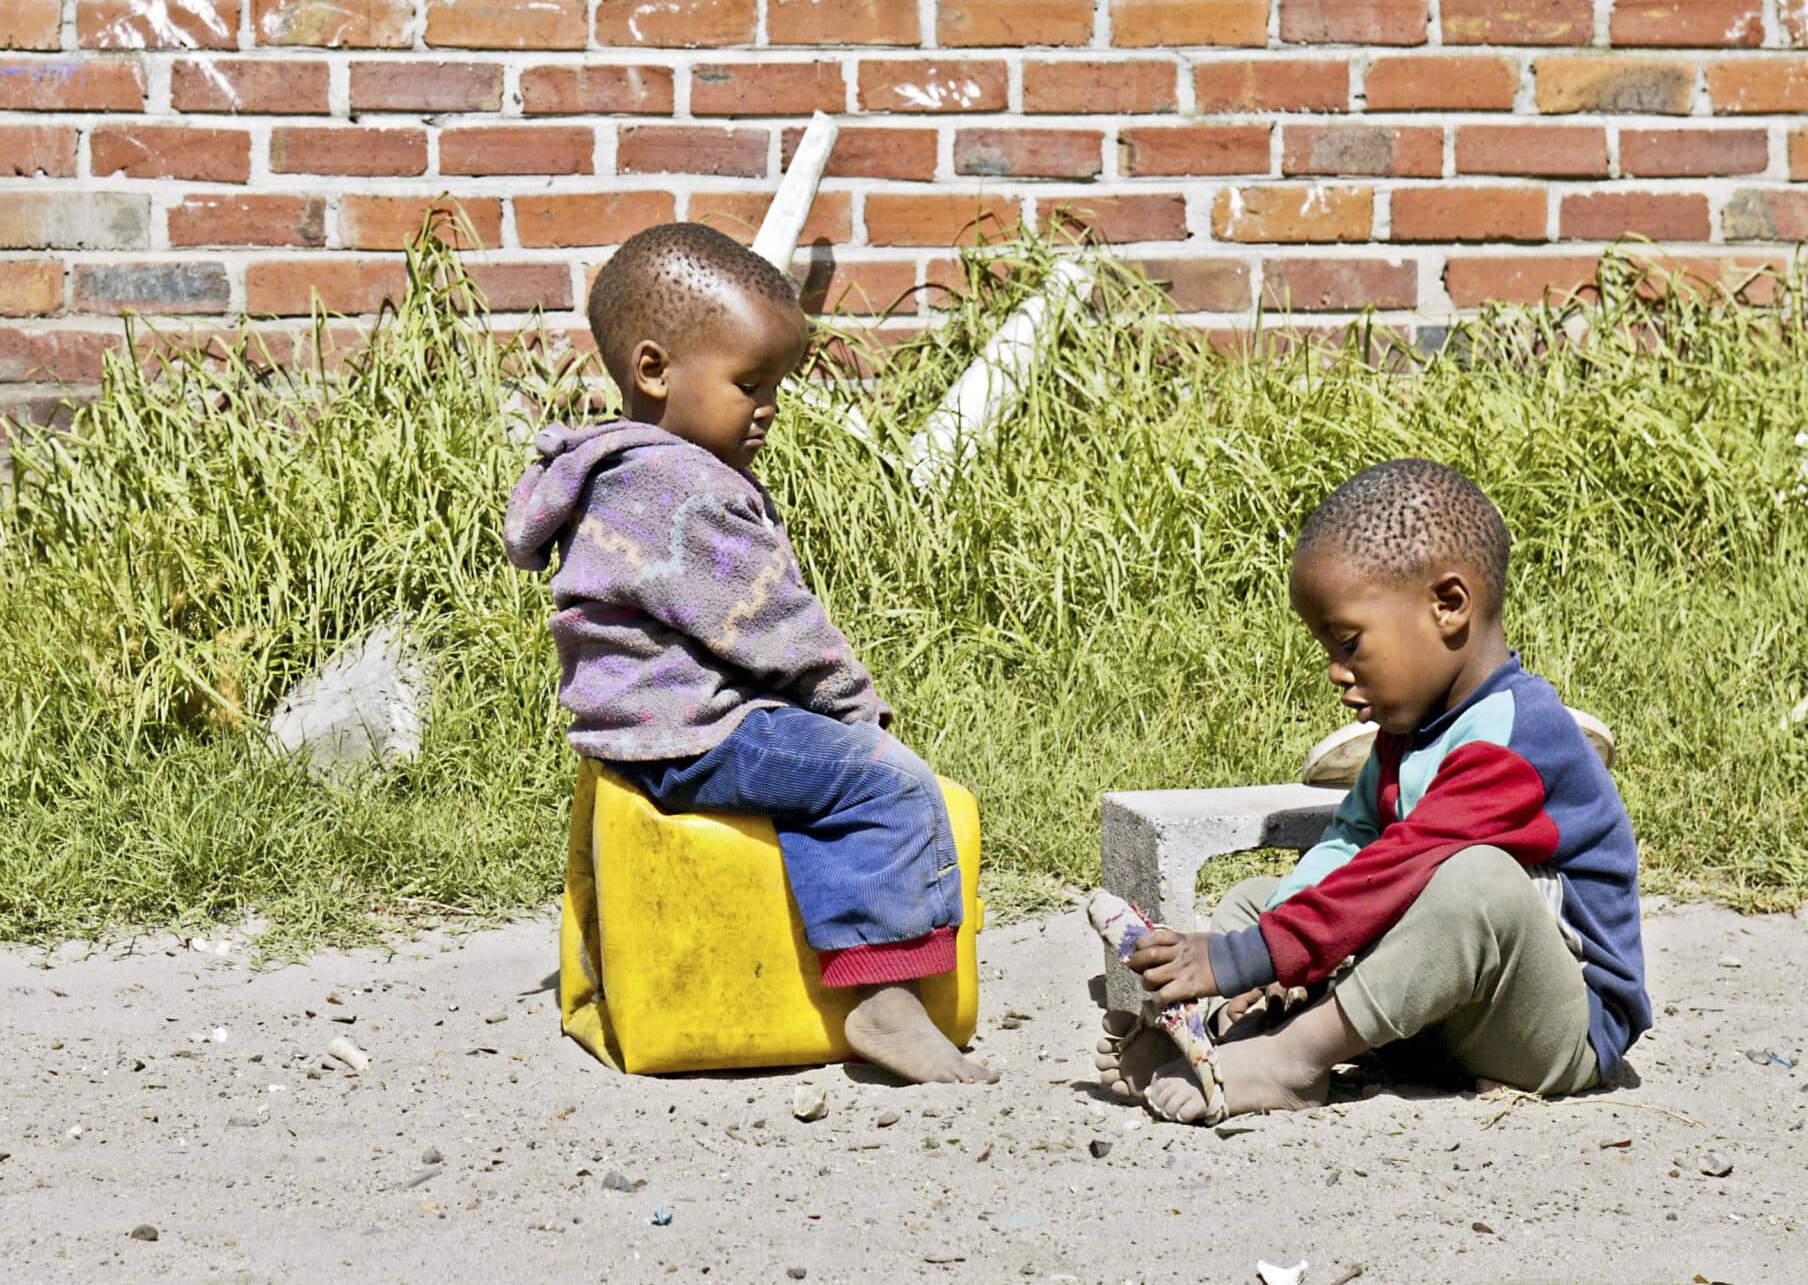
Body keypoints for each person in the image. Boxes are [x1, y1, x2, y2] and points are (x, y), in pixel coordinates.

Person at [505, 222, 993, 1086]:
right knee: (883, 779)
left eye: (777, 384)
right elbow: (772, 624)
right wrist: (853, 707)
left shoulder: (618, 469)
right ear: (654, 371)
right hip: (701, 729)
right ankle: (885, 998)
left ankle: (834, 956)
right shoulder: (683, 488)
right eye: (749, 383)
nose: (767, 405)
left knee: (820, 776)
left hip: (645, 728)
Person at [1099, 459, 1650, 1123]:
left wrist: (1241, 955)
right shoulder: (1409, 727)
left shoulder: (1518, 739)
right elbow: (1354, 840)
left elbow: (1400, 868)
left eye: (1349, 642)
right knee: (1264, 898)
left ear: (1447, 606)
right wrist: (1269, 958)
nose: (1336, 671)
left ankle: (1294, 1057)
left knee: (1477, 884)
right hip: (1437, 1016)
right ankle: (1221, 1036)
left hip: (1553, 1030)